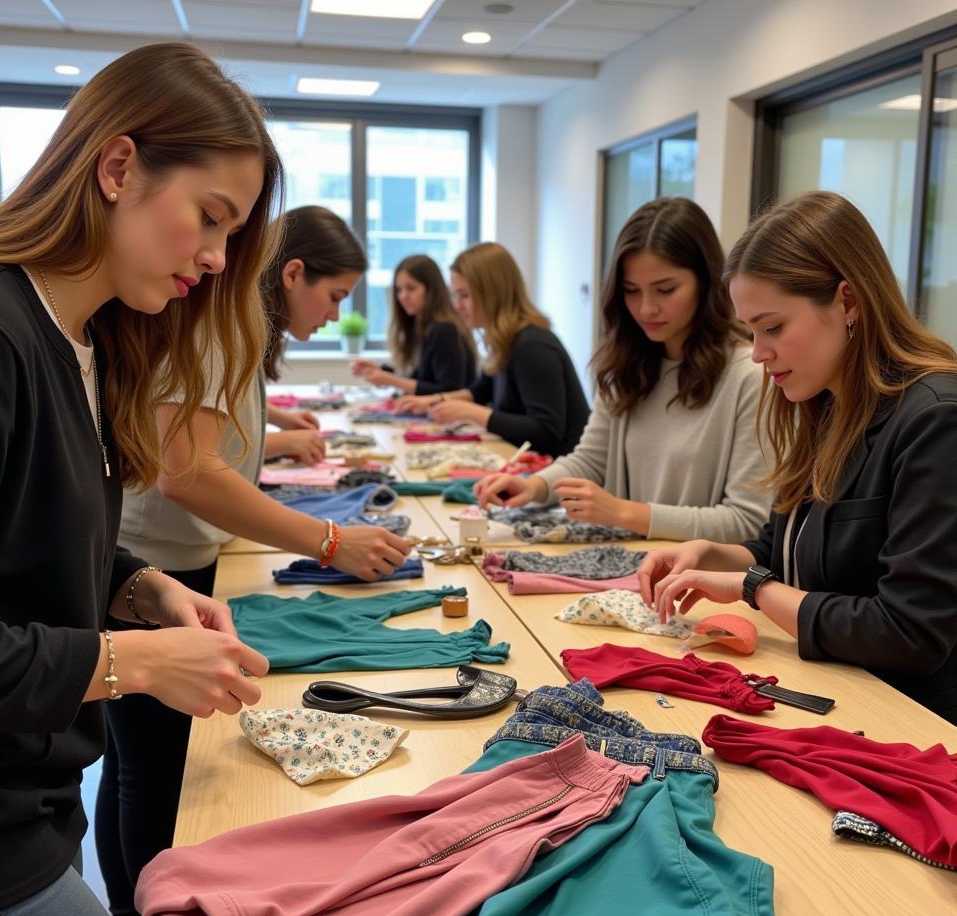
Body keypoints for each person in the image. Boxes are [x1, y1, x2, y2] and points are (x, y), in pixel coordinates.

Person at [0, 43, 280, 916]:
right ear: (118, 168)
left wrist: (140, 587)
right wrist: (131, 661)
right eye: (209, 219)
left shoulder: (78, 340)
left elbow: (22, 543)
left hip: (26, 804)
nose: (216, 259)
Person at [101, 204, 412, 916]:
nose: (337, 314)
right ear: (294, 273)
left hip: (166, 557)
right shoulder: (218, 317)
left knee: (140, 759)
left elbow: (198, 434)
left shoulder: (231, 322)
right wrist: (328, 538)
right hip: (154, 561)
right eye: (334, 297)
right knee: (155, 765)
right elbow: (188, 473)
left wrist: (276, 447)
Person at [639, 190, 957, 724]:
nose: (759, 353)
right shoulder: (827, 403)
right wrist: (709, 554)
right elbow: (786, 547)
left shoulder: (935, 419)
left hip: (912, 727)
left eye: (773, 328)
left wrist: (754, 589)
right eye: (751, 332)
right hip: (837, 697)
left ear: (848, 302)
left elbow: (909, 631)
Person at [475, 197, 770, 543]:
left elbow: (748, 521)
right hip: (630, 572)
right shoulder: (625, 365)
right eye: (631, 291)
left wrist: (623, 513)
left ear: (706, 282)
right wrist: (535, 485)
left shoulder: (750, 375)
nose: (646, 308)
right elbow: (590, 461)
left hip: (697, 588)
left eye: (665, 289)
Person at [395, 241, 589, 457]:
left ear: (493, 293)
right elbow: (478, 392)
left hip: (559, 479)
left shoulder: (532, 346)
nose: (457, 305)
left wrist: (471, 412)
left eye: (465, 295)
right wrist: (431, 401)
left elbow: (546, 431)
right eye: (455, 295)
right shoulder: (504, 340)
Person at [350, 253, 477, 394]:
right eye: (399, 290)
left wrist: (389, 380)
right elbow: (420, 380)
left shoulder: (445, 330)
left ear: (431, 290)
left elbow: (449, 391)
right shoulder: (424, 327)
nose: (403, 296)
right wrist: (380, 371)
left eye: (411, 288)